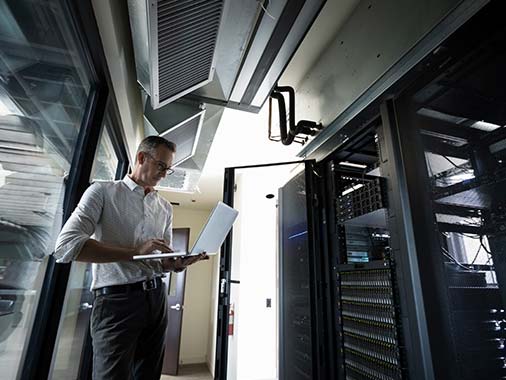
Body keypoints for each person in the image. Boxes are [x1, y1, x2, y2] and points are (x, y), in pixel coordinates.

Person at [54, 136, 207, 380]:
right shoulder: (102, 192)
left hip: (157, 299)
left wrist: (175, 264)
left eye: (169, 169)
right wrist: (134, 252)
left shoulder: (165, 207)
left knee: (149, 374)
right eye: (161, 166)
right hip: (116, 303)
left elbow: (160, 259)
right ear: (141, 158)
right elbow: (65, 247)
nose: (165, 174)